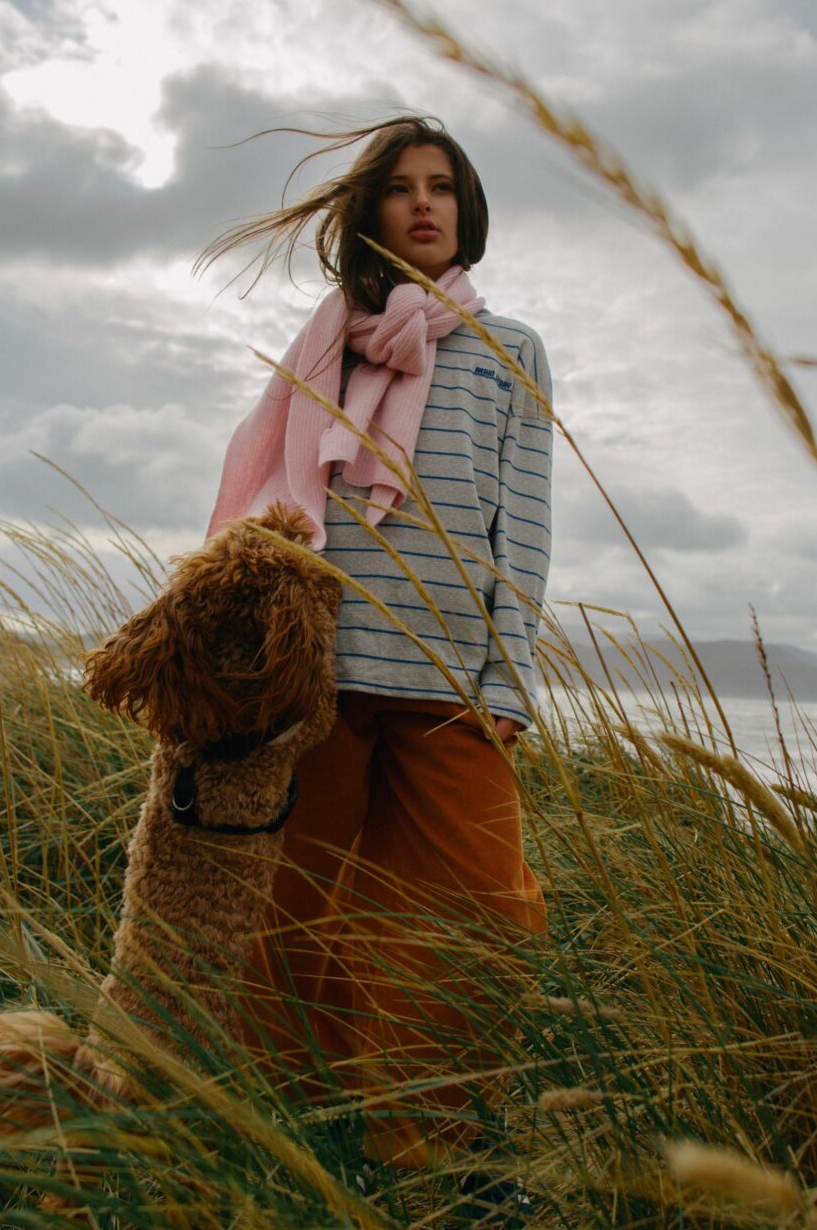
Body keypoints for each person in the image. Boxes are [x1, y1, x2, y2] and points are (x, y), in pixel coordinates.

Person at [194, 115, 554, 1196]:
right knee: (297, 911)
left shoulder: (510, 349)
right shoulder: (323, 346)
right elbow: (270, 500)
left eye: (443, 186)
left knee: (479, 910)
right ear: (369, 212)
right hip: (323, 676)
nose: (425, 204)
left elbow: (522, 523)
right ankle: (293, 1129)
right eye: (401, 188)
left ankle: (432, 1138)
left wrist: (508, 671)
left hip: (450, 678)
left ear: (467, 208)